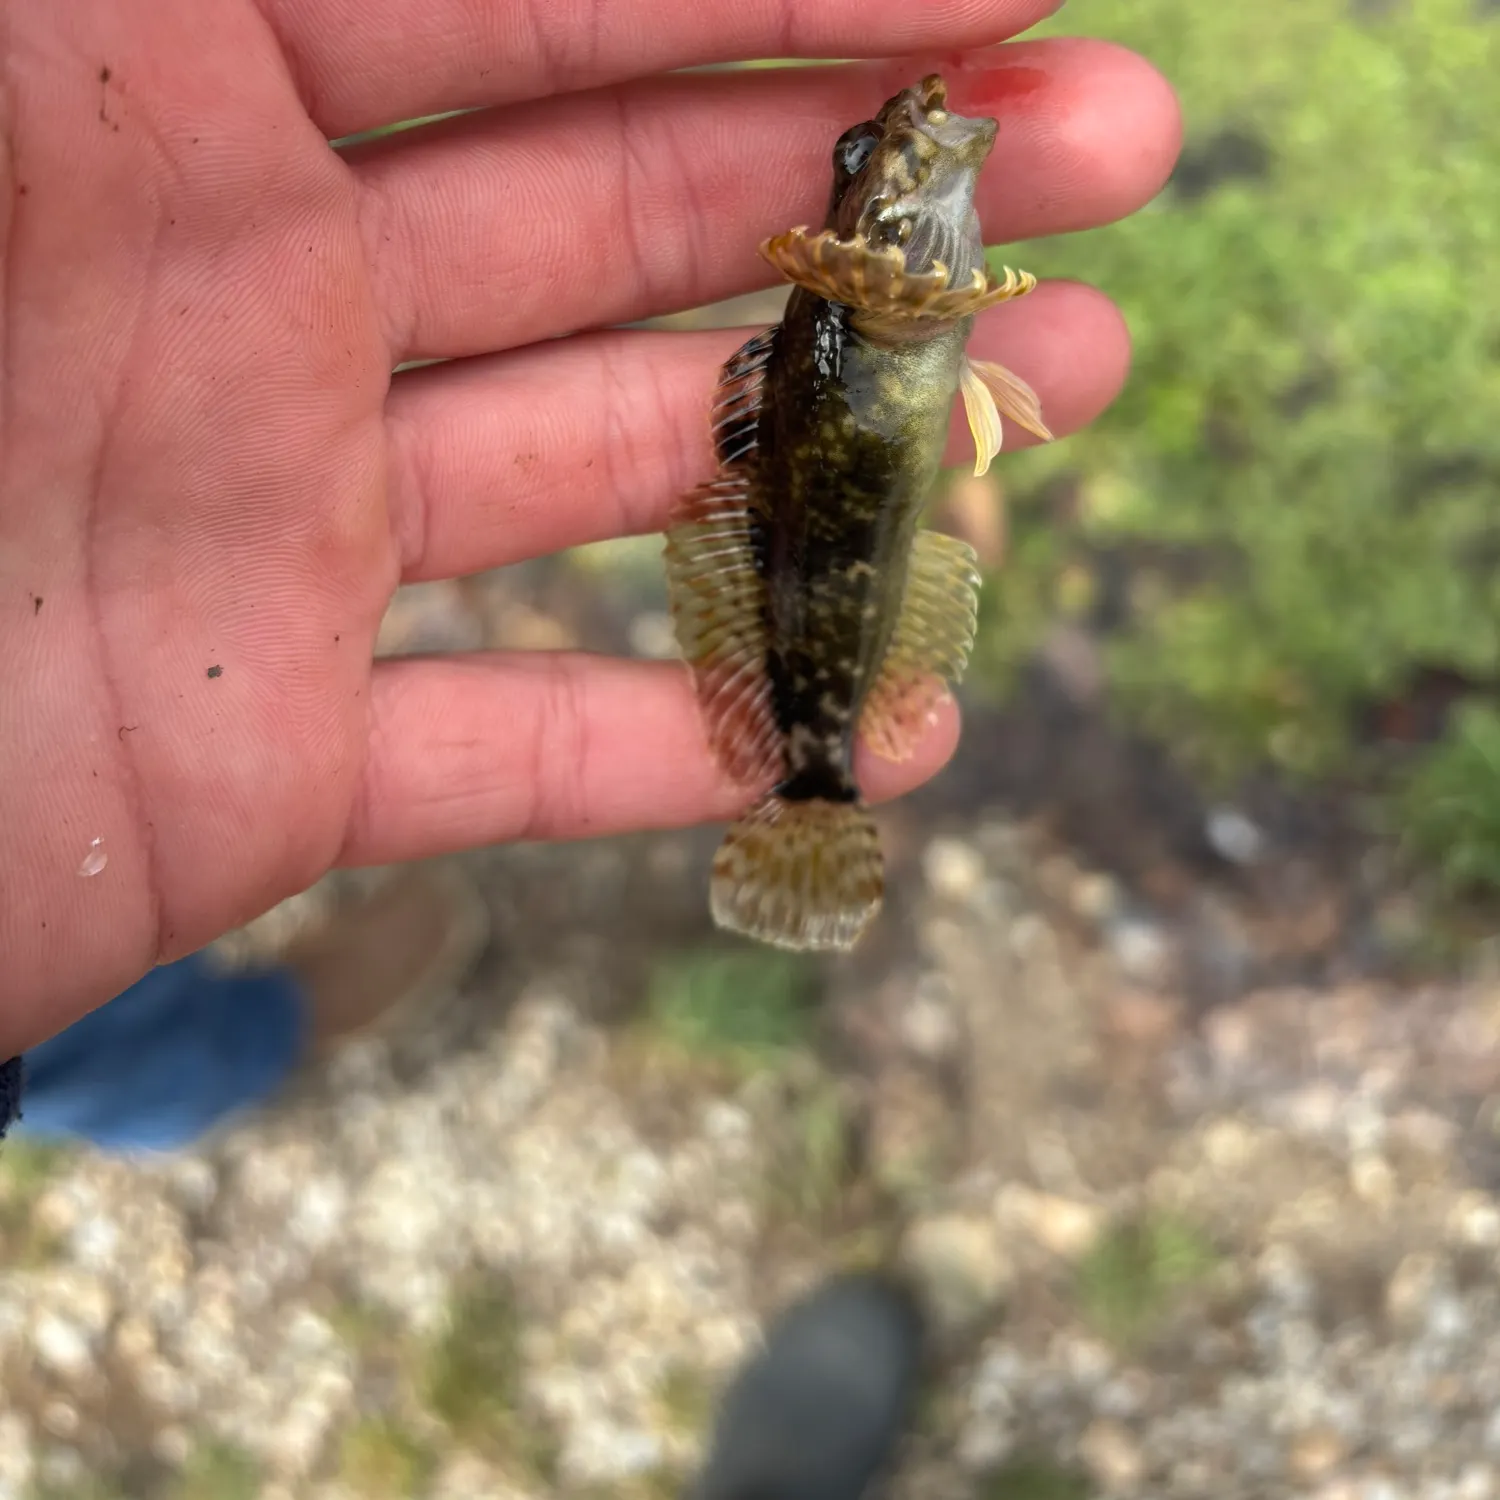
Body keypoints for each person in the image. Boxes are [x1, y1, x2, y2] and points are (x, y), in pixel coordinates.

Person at [0, 0, 1182, 1143]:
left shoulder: (871, 316)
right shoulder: (877, 316)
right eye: (865, 164)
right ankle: (222, 1059)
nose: (889, 162)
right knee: (104, 1037)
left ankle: (216, 1053)